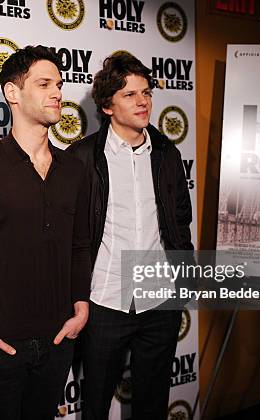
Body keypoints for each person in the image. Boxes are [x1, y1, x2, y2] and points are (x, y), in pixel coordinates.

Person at [0, 45, 91, 420]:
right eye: (44, 84)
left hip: (59, 342)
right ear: (13, 93)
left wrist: (81, 307)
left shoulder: (74, 171)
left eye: (59, 84)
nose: (58, 92)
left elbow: (80, 246)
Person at [68, 53, 194, 420]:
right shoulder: (82, 158)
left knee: (153, 403)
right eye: (130, 95)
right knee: (95, 403)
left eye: (147, 92)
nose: (143, 101)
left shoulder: (168, 153)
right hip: (106, 300)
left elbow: (180, 221)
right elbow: (73, 236)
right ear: (107, 105)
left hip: (160, 299)